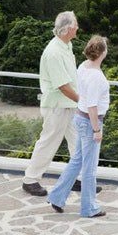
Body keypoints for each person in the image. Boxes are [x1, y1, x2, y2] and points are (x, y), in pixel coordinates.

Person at [47, 34, 110, 218]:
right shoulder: (96, 77)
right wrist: (97, 129)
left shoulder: (83, 66)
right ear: (102, 52)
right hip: (91, 121)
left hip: (79, 118)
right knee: (89, 168)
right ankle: (89, 208)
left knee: (77, 162)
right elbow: (92, 106)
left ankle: (57, 197)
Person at [21, 11, 81, 196]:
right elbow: (62, 85)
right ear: (69, 29)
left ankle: (75, 178)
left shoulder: (66, 45)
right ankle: (30, 180)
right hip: (57, 106)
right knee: (49, 141)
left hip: (69, 104)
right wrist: (83, 101)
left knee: (78, 141)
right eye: (76, 25)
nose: (78, 27)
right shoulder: (54, 52)